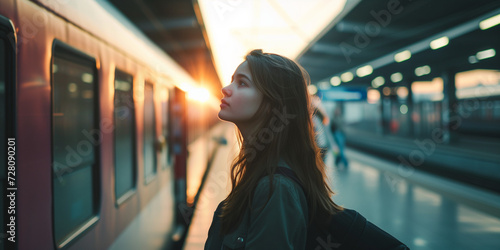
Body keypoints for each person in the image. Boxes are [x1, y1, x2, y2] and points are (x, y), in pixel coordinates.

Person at [205, 49, 343, 249]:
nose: (226, 88)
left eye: (242, 83)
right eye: (232, 80)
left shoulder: (276, 188)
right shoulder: (262, 172)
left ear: (273, 103)